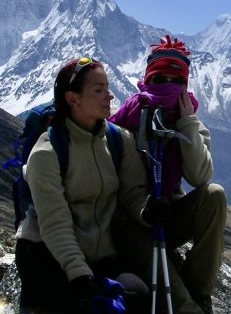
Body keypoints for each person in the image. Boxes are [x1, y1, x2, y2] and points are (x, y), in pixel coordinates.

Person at [15, 56, 151, 313]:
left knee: (137, 293)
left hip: (97, 256)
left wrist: (146, 211)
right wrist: (79, 274)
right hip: (46, 254)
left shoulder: (118, 140)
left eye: (107, 88)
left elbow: (132, 194)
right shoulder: (47, 152)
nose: (109, 96)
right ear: (72, 98)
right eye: (99, 90)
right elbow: (55, 222)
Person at [110, 36, 226, 314]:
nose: (167, 87)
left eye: (176, 82)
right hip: (129, 224)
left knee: (215, 195)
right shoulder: (126, 121)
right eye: (160, 79)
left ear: (185, 86)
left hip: (167, 215)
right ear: (147, 80)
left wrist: (187, 123)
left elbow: (200, 177)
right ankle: (188, 306)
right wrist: (145, 210)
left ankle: (200, 289)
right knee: (178, 300)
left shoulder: (189, 122)